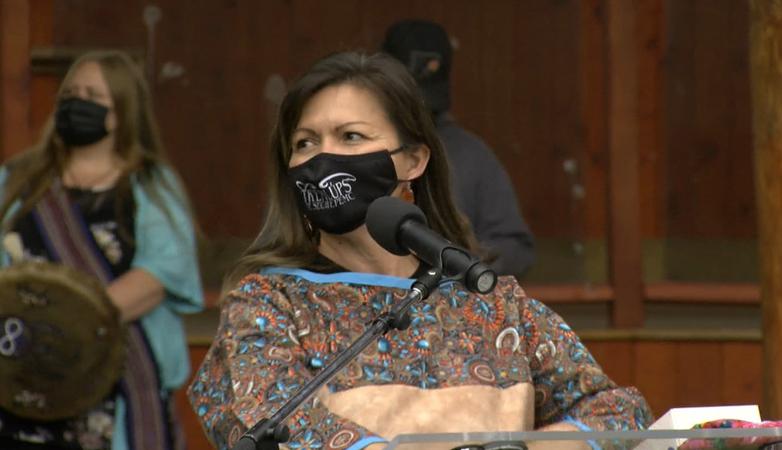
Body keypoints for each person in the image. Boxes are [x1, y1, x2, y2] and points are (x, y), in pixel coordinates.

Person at [188, 51, 651, 450]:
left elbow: (617, 411)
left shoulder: (494, 302)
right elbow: (271, 420)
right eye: (304, 142)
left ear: (413, 160)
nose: (322, 158)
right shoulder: (268, 304)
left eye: (350, 136)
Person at [0, 50, 203, 450]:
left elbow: (159, 274)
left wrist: (68, 330)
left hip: (114, 377)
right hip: (23, 370)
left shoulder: (151, 185)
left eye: (92, 96)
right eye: (71, 94)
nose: (78, 102)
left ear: (122, 111)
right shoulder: (17, 179)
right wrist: (35, 338)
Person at [382, 19, 535, 278]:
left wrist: (465, 269)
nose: (417, 113)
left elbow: (516, 247)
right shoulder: (355, 152)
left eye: (426, 103)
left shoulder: (472, 154)